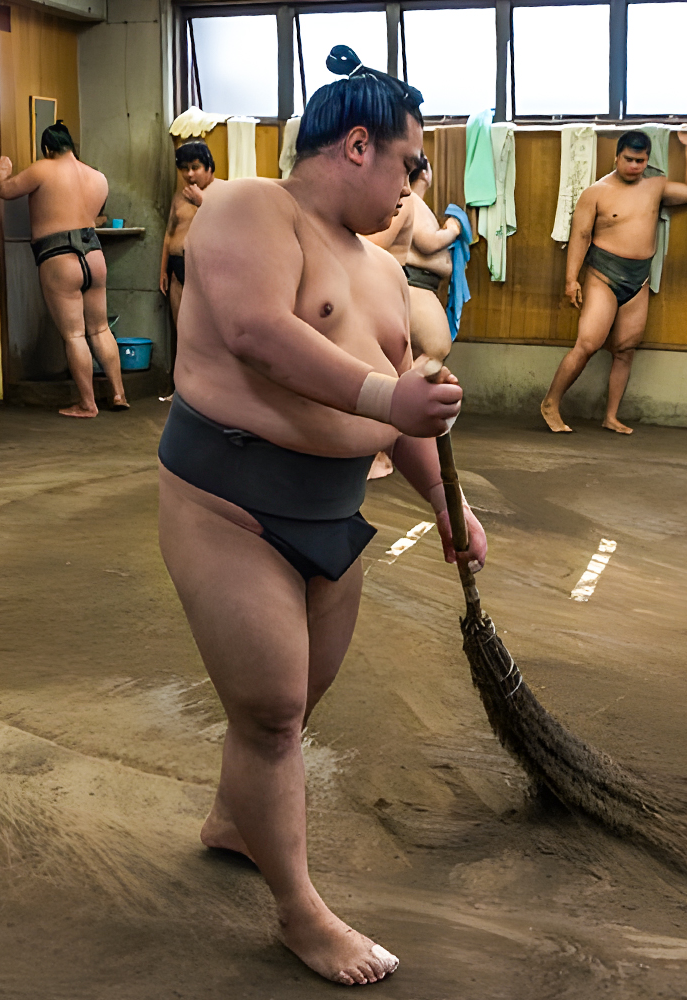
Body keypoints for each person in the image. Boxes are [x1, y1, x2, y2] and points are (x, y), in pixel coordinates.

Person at [157, 45, 485, 986]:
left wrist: (443, 496)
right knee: (270, 713)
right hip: (229, 501)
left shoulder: (382, 275)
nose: (413, 185)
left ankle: (233, 819)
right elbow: (259, 333)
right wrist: (387, 403)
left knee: (287, 714)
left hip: (333, 515)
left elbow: (407, 402)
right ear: (356, 145)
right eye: (410, 163)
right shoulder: (248, 207)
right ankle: (301, 915)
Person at [540, 130, 687, 434]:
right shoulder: (597, 192)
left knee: (626, 348)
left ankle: (610, 416)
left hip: (639, 277)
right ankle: (550, 402)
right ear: (617, 156)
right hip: (603, 274)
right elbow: (581, 236)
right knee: (588, 344)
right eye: (629, 159)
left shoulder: (656, 185)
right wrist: (571, 279)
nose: (634, 166)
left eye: (640, 161)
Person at [0, 121, 126, 417]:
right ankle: (118, 393)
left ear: (48, 148)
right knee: (101, 328)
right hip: (93, 253)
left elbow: (4, 190)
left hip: (58, 255)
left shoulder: (43, 168)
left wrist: (1, 170)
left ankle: (87, 404)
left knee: (75, 334)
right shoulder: (99, 178)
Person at [160, 141, 217, 399]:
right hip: (176, 268)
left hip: (203, 269)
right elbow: (169, 232)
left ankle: (206, 390)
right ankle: (182, 390)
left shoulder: (220, 193)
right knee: (182, 332)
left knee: (203, 334)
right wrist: (163, 270)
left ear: (209, 167)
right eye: (184, 168)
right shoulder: (178, 195)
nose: (190, 174)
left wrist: (202, 201)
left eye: (195, 167)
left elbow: (229, 224)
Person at [400, 159, 462, 363]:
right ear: (426, 173)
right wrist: (452, 231)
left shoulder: (410, 202)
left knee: (420, 357)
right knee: (434, 352)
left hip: (417, 284)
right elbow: (427, 242)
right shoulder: (410, 200)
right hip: (413, 283)